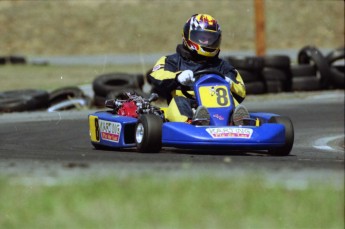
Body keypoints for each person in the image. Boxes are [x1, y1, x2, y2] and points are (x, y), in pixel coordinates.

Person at [147, 13, 249, 126]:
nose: (207, 42)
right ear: (187, 36)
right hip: (187, 103)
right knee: (178, 102)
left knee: (233, 102)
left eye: (210, 38)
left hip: (217, 106)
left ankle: (238, 122)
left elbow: (241, 90)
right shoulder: (172, 61)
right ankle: (194, 122)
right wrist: (177, 77)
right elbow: (156, 76)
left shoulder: (223, 66)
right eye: (202, 38)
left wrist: (230, 83)